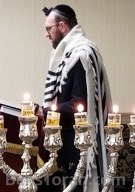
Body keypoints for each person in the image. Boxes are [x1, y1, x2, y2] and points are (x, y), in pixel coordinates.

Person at [38, 4, 112, 192]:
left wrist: (45, 112)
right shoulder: (70, 53)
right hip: (69, 142)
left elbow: (81, 104)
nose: (46, 34)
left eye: (48, 28)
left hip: (79, 145)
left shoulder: (81, 54)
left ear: (62, 26)